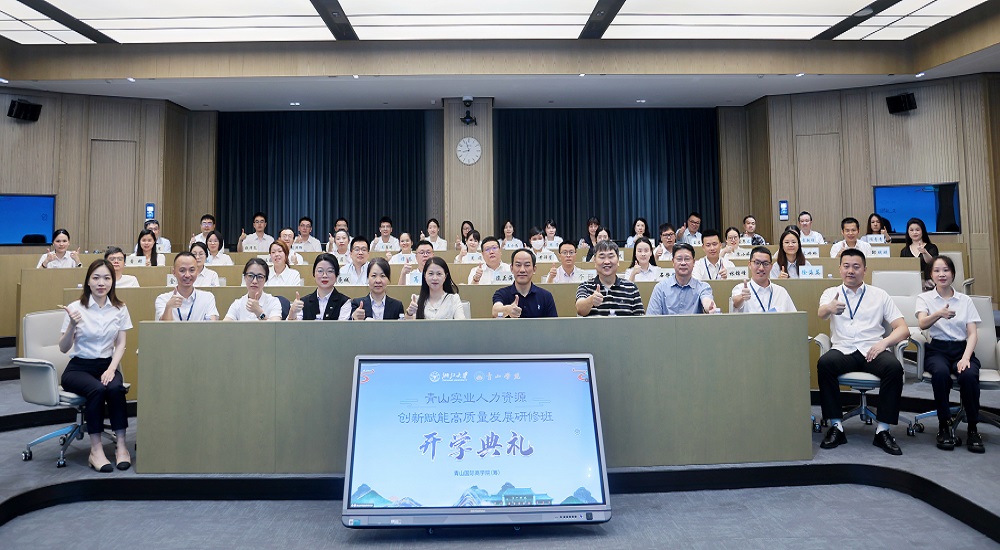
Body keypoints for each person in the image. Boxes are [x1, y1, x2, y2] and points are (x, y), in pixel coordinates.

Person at [817, 249, 909, 456]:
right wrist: (830, 308)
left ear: (865, 270)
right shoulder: (831, 293)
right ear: (840, 269)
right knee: (825, 364)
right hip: (843, 349)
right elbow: (821, 313)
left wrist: (884, 343)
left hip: (872, 349)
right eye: (846, 266)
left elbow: (903, 329)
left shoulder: (879, 295)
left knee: (894, 368)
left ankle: (883, 430)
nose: (851, 271)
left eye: (856, 267)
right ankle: (836, 426)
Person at [58, 259, 132, 472]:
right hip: (78, 368)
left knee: (116, 388)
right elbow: (63, 348)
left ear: (112, 282)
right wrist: (72, 325)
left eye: (107, 278)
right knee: (97, 389)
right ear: (88, 281)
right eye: (96, 278)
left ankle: (121, 446)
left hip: (107, 365)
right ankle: (96, 450)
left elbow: (121, 344)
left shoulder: (120, 308)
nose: (101, 283)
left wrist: (111, 369)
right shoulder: (75, 308)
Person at [916, 256, 984, 452]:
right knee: (940, 374)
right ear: (931, 275)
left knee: (969, 375)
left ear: (953, 273)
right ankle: (944, 425)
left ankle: (973, 428)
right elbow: (922, 324)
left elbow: (972, 334)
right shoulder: (925, 298)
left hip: (962, 349)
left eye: (946, 270)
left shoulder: (965, 300)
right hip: (937, 349)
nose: (942, 274)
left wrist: (966, 358)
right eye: (937, 270)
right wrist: (938, 314)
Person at [575, 240, 644, 317]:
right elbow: (580, 310)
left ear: (618, 260)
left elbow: (640, 319)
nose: (607, 262)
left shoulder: (631, 288)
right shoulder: (585, 286)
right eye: (602, 257)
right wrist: (591, 300)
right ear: (594, 261)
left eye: (611, 256)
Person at [647, 243, 719, 315]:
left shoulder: (703, 287)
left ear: (693, 262)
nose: (683, 263)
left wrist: (709, 307)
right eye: (679, 259)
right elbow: (652, 317)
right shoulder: (660, 288)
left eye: (687, 259)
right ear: (673, 262)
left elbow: (706, 300)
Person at [492, 249, 558, 318]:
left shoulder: (546, 296)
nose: (522, 270)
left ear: (534, 269)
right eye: (518, 265)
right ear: (511, 268)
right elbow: (495, 312)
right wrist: (507, 310)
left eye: (527, 265)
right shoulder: (502, 293)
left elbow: (553, 323)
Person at [155, 252, 220, 322]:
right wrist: (168, 307)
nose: (187, 275)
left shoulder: (207, 298)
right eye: (182, 270)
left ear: (197, 271)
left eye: (192, 270)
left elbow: (211, 325)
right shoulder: (163, 299)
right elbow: (165, 327)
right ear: (174, 272)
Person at [732, 247, 796, 313]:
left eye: (766, 264)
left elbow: (793, 316)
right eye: (757, 263)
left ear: (771, 266)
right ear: (750, 265)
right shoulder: (740, 289)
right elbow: (735, 304)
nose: (761, 268)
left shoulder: (781, 292)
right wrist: (742, 297)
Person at [288, 253, 352, 321]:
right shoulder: (303, 302)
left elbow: (342, 326)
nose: (324, 275)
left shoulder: (344, 302)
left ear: (336, 275)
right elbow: (294, 326)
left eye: (330, 271)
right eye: (320, 271)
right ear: (314, 274)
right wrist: (292, 312)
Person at [901, 217, 939, 290]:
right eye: (911, 230)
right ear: (908, 232)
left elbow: (932, 263)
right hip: (910, 286)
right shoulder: (904, 251)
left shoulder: (932, 247)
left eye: (917, 230)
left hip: (930, 285)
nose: (914, 232)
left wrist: (924, 252)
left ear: (922, 231)